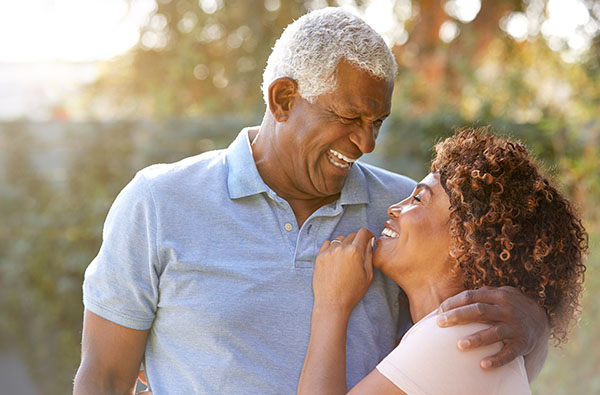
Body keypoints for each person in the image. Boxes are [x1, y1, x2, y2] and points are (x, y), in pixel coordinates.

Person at [74, 8, 549, 394]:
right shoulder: (158, 204)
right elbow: (104, 378)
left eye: (377, 122)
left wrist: (535, 325)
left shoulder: (402, 213)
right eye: (349, 117)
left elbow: (475, 350)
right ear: (283, 99)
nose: (366, 144)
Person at [298, 128, 587, 394]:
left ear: (465, 241)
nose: (394, 208)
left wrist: (331, 304)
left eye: (418, 200)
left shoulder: (456, 339)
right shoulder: (466, 336)